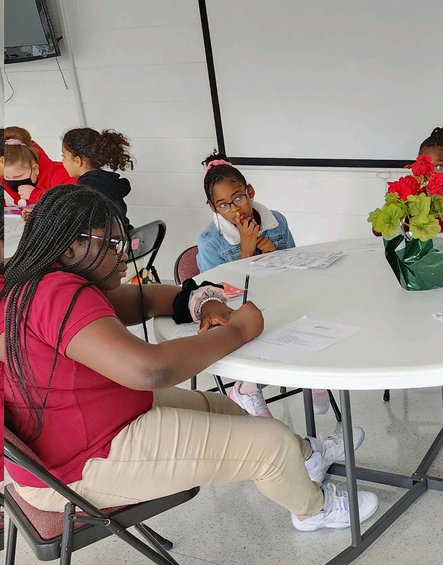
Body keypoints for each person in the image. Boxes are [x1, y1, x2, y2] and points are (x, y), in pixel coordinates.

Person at [2, 186, 378, 535]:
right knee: (270, 443)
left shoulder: (37, 281)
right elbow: (150, 369)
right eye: (114, 243)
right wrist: (236, 332)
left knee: (224, 409)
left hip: (85, 427)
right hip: (77, 466)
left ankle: (307, 459)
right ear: (69, 249)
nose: (124, 252)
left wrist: (199, 301)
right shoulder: (57, 294)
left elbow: (144, 300)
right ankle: (315, 510)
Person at [196, 151, 328, 418]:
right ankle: (247, 389)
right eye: (223, 205)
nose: (234, 209)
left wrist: (275, 253)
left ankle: (309, 374)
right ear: (213, 208)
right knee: (268, 326)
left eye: (239, 198)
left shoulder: (275, 221)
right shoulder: (210, 240)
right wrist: (247, 252)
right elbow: (220, 294)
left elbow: (295, 266)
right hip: (236, 312)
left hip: (279, 298)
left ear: (250, 192)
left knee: (310, 310)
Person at [61, 126, 134, 230]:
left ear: (77, 160)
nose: (62, 161)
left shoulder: (87, 187)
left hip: (109, 242)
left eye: (63, 156)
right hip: (124, 235)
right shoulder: (106, 180)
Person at [2, 126, 74, 210]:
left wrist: (36, 194)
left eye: (19, 176)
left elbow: (77, 202)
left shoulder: (63, 174)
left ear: (35, 169)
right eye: (7, 177)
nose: (12, 182)